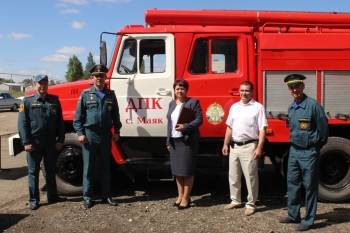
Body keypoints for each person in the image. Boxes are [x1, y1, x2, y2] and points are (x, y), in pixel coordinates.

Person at [279, 74, 329, 231]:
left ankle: (308, 220)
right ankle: (293, 215)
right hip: (294, 151)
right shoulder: (291, 107)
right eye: (291, 87)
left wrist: (315, 146)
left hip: (309, 152)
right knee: (292, 183)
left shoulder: (313, 106)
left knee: (310, 186)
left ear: (303, 86)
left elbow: (324, 130)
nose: (294, 89)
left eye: (297, 86)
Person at [73, 64, 122, 209]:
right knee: (88, 168)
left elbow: (116, 115)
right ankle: (88, 197)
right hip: (90, 135)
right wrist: (80, 133)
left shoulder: (110, 95)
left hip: (106, 135)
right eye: (96, 76)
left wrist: (117, 131)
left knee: (106, 167)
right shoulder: (86, 94)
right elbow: (77, 117)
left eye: (101, 76)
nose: (99, 78)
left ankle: (106, 196)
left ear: (105, 77)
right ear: (92, 77)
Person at [18, 74, 66, 210]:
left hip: (50, 142)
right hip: (34, 143)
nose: (43, 86)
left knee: (51, 170)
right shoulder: (27, 101)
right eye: (40, 83)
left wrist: (61, 139)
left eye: (45, 83)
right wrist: (26, 142)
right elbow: (22, 123)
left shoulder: (54, 101)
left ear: (47, 85)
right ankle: (34, 199)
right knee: (33, 172)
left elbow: (60, 122)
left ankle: (52, 196)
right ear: (35, 85)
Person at [222, 81, 267, 216]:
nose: (244, 93)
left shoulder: (258, 107)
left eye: (247, 91)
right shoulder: (234, 107)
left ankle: (251, 203)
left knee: (250, 176)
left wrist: (259, 147)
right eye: (242, 90)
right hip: (235, 146)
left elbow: (262, 129)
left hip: (249, 146)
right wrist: (225, 144)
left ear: (252, 92)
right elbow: (229, 127)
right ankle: (235, 200)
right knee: (233, 176)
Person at [166, 79, 203, 210]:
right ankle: (180, 196)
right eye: (177, 89)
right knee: (177, 171)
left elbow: (199, 119)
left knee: (187, 171)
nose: (179, 91)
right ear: (174, 90)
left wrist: (185, 126)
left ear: (186, 90)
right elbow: (169, 124)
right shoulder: (171, 104)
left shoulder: (193, 102)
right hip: (174, 142)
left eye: (182, 88)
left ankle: (186, 198)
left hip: (188, 142)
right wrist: (168, 141)